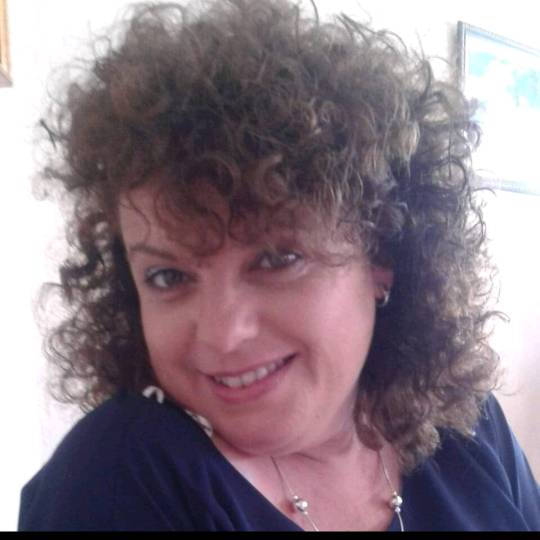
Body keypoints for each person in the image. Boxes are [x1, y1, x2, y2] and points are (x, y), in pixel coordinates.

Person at [18, 0, 540, 531]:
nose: (222, 335)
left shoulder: (462, 420)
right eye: (168, 277)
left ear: (382, 257)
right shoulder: (114, 483)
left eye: (277, 259)